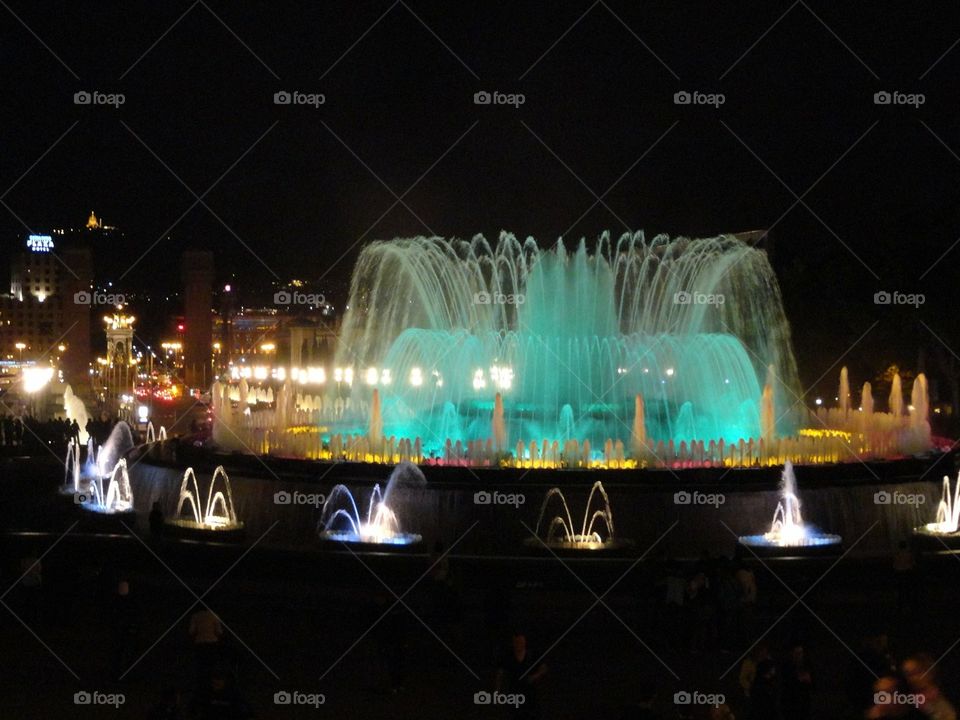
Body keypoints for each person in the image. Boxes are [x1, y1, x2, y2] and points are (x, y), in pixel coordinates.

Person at [495, 632, 548, 719]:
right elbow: (500, 674)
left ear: (525, 642)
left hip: (531, 695)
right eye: (516, 642)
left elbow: (544, 668)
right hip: (514, 694)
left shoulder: (532, 655)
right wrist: (497, 692)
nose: (519, 644)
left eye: (521, 641)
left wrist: (535, 676)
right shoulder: (508, 656)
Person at [902, 652, 957, 720]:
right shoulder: (911, 704)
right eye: (909, 674)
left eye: (917, 672)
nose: (913, 678)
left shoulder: (950, 690)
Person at [188, 606, 224, 685]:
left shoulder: (195, 616)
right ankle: (212, 683)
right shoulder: (213, 615)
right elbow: (219, 631)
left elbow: (191, 631)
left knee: (201, 665)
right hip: (212, 643)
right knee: (212, 664)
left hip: (200, 644)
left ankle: (202, 683)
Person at [780, 642, 813, 720]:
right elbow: (785, 682)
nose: (799, 655)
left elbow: (812, 682)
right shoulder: (787, 666)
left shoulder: (806, 665)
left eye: (800, 653)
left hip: (804, 702)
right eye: (796, 653)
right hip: (791, 702)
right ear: (792, 653)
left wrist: (809, 679)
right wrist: (798, 679)